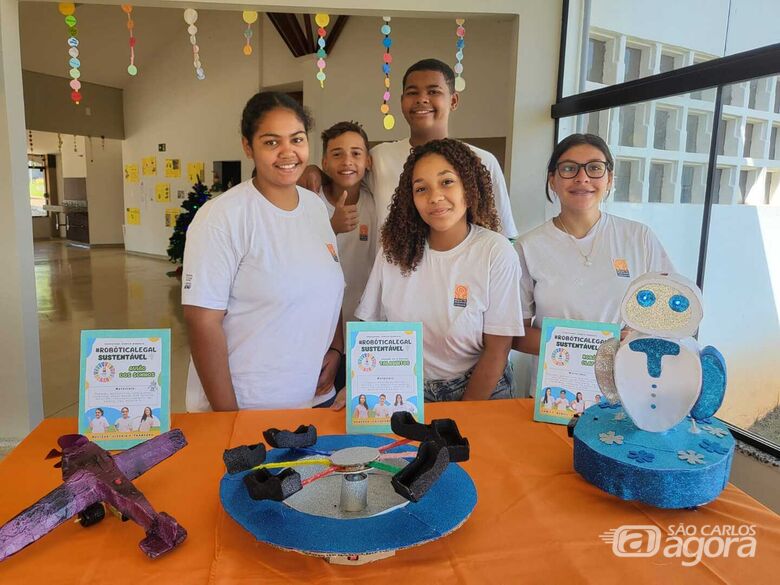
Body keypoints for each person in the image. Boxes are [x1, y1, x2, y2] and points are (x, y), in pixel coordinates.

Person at [182, 92, 345, 411]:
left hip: (312, 396)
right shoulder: (223, 217)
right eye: (271, 142)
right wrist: (229, 419)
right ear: (248, 146)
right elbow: (202, 322)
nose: (288, 152)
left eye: (297, 139)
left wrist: (335, 349)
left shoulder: (314, 207)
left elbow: (329, 283)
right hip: (248, 405)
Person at [354, 139, 524, 402]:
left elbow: (498, 350)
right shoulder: (393, 252)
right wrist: (357, 385)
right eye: (421, 188)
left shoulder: (496, 252)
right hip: (407, 388)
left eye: (447, 182)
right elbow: (370, 329)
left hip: (482, 388)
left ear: (469, 188)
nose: (434, 197)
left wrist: (462, 417)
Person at [513, 133, 675, 391]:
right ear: (552, 180)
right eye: (568, 168)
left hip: (625, 388)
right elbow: (515, 334)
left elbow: (669, 310)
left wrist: (635, 338)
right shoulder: (528, 246)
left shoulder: (638, 237)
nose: (582, 178)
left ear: (609, 179)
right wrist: (588, 346)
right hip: (556, 392)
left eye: (595, 168)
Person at [301, 59, 518, 240]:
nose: (422, 99)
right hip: (395, 281)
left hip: (458, 284)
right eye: (412, 92)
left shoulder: (481, 161)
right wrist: (315, 171)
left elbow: (503, 235)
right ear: (402, 101)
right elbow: (345, 175)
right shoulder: (380, 157)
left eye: (433, 91)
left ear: (453, 100)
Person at [318, 121, 377, 324]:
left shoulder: (374, 204)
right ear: (324, 163)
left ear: (368, 161)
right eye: (337, 154)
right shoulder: (311, 202)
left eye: (356, 153)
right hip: (319, 322)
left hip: (362, 322)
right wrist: (331, 228)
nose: (347, 161)